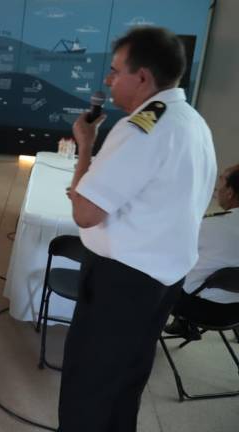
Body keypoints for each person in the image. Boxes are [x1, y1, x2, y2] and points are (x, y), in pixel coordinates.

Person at [60, 27, 217, 431]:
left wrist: (86, 146)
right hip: (161, 280)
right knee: (125, 380)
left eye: (115, 72)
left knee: (89, 385)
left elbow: (85, 213)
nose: (108, 81)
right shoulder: (192, 121)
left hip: (121, 282)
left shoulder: (140, 129)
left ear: (143, 77)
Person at [163, 163, 239, 338]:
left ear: (230, 192)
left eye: (222, 182)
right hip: (235, 313)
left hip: (202, 309)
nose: (217, 188)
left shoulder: (210, 225)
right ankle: (182, 325)